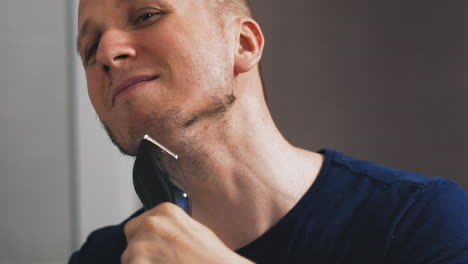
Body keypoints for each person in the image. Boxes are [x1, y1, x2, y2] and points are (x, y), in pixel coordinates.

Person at [70, 0, 468, 263]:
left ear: (243, 44)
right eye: (90, 48)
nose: (107, 52)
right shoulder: (100, 257)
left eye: (146, 16)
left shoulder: (420, 221)